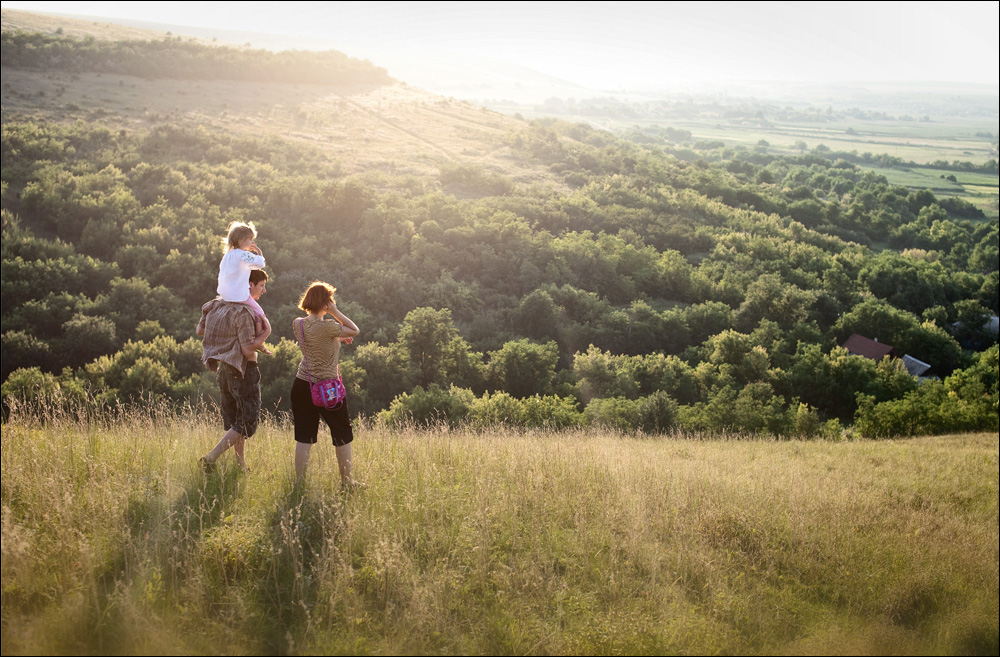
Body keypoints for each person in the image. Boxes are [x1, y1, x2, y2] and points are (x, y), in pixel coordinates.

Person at [196, 269, 270, 472]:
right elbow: (247, 349)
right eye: (261, 285)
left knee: (236, 419)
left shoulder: (217, 305)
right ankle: (210, 458)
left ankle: (240, 464)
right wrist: (266, 333)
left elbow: (200, 330)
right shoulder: (244, 312)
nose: (264, 290)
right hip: (243, 369)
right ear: (249, 285)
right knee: (247, 420)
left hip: (224, 369)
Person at [291, 281, 361, 487]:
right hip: (327, 388)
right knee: (342, 434)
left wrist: (337, 339)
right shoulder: (330, 326)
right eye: (330, 300)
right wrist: (335, 312)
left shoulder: (299, 324)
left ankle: (299, 484)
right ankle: (347, 483)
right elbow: (354, 330)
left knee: (304, 437)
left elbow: (315, 341)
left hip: (303, 384)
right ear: (325, 303)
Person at [217, 220, 271, 353]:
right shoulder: (242, 254)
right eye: (250, 240)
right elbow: (259, 264)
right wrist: (259, 252)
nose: (252, 243)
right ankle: (258, 341)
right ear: (241, 240)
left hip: (225, 294)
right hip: (238, 295)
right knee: (259, 313)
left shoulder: (227, 256)